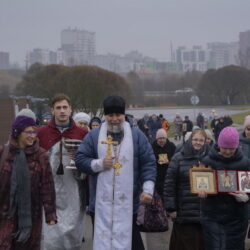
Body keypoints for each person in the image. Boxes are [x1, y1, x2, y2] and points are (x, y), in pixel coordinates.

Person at [75, 95, 156, 250]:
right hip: (100, 204)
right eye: (110, 115)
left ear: (123, 115)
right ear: (105, 116)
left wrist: (147, 190)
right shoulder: (94, 135)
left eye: (118, 115)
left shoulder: (137, 135)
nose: (114, 119)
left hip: (128, 203)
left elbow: (148, 163)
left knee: (133, 244)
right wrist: (99, 164)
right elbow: (80, 159)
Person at [37, 93, 88, 250]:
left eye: (65, 107)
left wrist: (80, 162)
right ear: (52, 110)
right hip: (49, 195)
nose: (62, 111)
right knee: (51, 239)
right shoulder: (42, 133)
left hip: (75, 193)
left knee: (73, 239)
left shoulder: (82, 134)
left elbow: (89, 165)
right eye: (58, 108)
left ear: (70, 109)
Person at [0, 116, 57, 250]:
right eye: (28, 132)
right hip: (5, 212)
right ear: (17, 132)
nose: (32, 136)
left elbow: (47, 185)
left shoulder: (41, 155)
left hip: (31, 214)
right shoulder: (4, 152)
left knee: (27, 245)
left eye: (34, 132)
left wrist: (50, 214)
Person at [200, 127, 250, 250]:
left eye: (231, 148)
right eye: (224, 148)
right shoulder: (207, 162)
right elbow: (199, 182)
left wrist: (246, 197)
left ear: (236, 147)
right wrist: (201, 191)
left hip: (237, 217)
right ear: (218, 145)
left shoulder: (246, 163)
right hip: (212, 215)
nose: (227, 151)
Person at [164, 129, 209, 250]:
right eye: (195, 139)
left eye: (201, 140)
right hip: (185, 213)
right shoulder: (178, 158)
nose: (198, 143)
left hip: (205, 213)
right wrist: (171, 208)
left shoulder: (210, 158)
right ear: (190, 140)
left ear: (205, 142)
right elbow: (169, 184)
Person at [152, 128, 176, 201]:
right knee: (159, 192)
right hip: (157, 173)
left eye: (163, 138)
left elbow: (176, 158)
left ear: (166, 138)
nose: (161, 140)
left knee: (169, 190)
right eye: (159, 138)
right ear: (157, 139)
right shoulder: (152, 146)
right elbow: (150, 159)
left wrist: (169, 161)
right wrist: (157, 161)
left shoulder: (171, 146)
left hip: (169, 172)